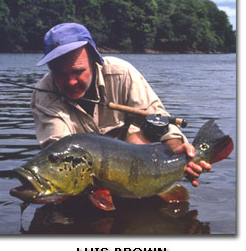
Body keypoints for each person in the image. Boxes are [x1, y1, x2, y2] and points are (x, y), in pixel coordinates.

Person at [31, 22, 211, 187]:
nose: (70, 82)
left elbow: (157, 117)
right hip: (86, 176)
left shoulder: (122, 73)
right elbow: (57, 150)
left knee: (139, 136)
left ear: (94, 61)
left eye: (78, 72)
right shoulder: (43, 95)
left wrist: (177, 150)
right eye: (60, 73)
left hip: (137, 163)